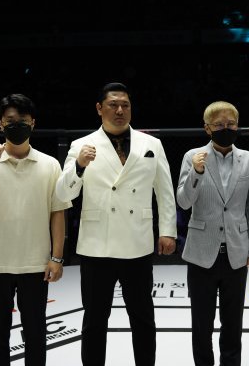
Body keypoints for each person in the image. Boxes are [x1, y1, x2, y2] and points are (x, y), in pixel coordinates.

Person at [55, 82, 177, 366]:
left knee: (143, 318)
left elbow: (165, 191)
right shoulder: (80, 145)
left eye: (125, 105)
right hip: (97, 245)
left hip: (138, 242)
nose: (120, 110)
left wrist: (168, 231)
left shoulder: (151, 144)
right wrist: (79, 166)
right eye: (113, 105)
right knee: (95, 320)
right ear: (100, 108)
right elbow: (63, 194)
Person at [0, 94, 70, 365]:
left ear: (33, 123)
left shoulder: (49, 164)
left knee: (36, 334)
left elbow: (57, 212)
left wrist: (57, 258)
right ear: (0, 124)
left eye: (22, 119)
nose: (16, 125)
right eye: (10, 120)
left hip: (35, 264)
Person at [177, 101, 249, 366]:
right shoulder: (193, 156)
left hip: (236, 252)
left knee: (233, 323)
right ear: (207, 128)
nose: (226, 128)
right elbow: (183, 202)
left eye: (231, 124)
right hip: (201, 252)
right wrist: (197, 172)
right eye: (219, 125)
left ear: (237, 125)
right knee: (201, 323)